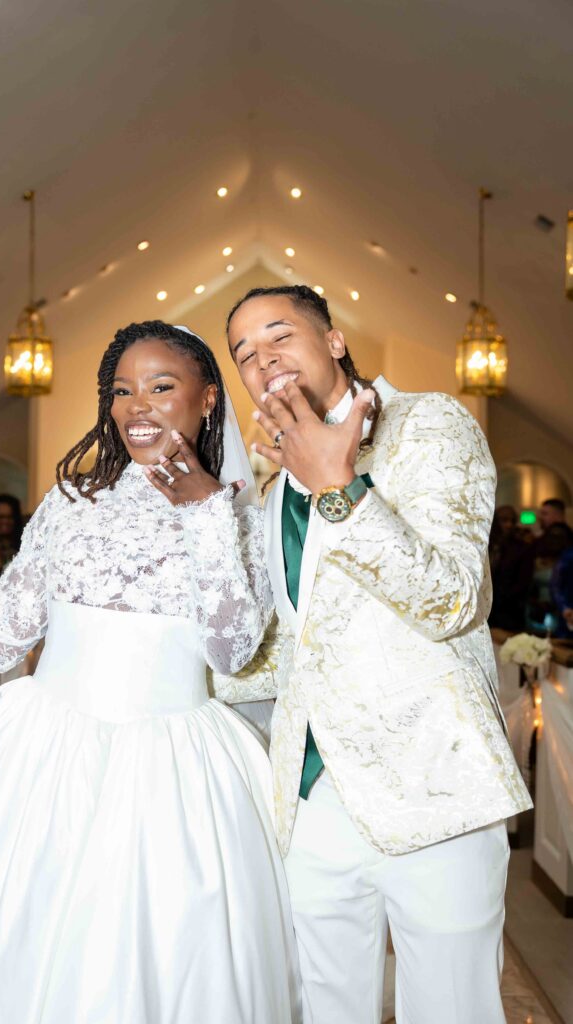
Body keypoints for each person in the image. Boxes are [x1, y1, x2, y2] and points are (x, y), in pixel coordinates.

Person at [0, 321, 300, 1024]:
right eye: (122, 390)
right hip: (39, 755)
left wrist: (204, 514)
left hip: (171, 769)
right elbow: (5, 640)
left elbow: (231, 650)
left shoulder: (239, 515)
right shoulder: (70, 503)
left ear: (208, 399)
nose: (137, 406)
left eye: (162, 387)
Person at [217, 285, 532, 1024]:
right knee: (324, 1008)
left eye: (278, 337)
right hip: (311, 793)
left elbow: (451, 600)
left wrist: (339, 487)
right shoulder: (271, 490)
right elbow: (290, 651)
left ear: (331, 341)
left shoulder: (431, 424)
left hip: (436, 785)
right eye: (245, 355)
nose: (263, 361)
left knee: (450, 1009)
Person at [488, 505, 534, 632]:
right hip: (485, 607)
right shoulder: (487, 545)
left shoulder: (521, 548)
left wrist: (502, 599)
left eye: (512, 521)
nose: (509, 525)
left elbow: (523, 583)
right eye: (504, 520)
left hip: (508, 611)